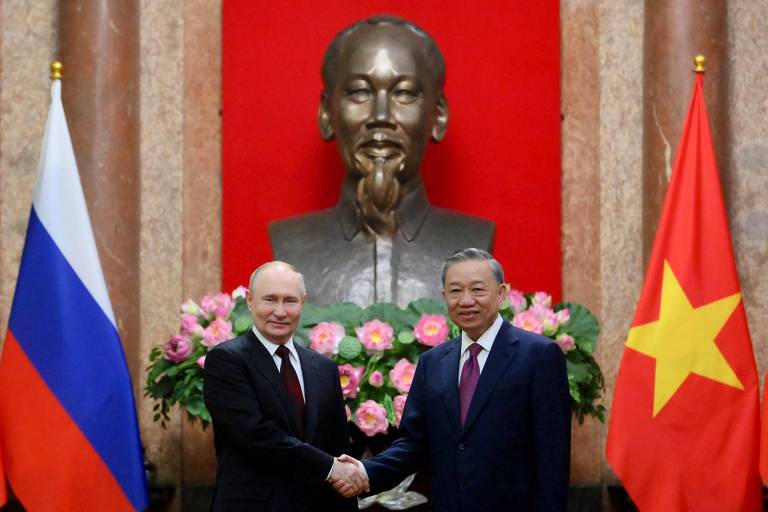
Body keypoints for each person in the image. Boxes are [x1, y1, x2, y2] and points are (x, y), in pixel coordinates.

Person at [269, 16, 494, 307]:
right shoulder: (290, 243)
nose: (381, 116)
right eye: (360, 92)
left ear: (437, 115)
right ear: (327, 113)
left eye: (404, 93)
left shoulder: (474, 239)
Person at [335, 248, 571, 511]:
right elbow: (414, 443)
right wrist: (366, 472)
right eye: (456, 291)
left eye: (478, 290)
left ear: (501, 293)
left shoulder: (538, 356)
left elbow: (552, 458)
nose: (466, 300)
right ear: (444, 297)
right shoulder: (433, 362)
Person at [203, 261, 366, 511]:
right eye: (269, 299)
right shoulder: (227, 360)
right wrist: (331, 468)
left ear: (303, 302)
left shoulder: (323, 368)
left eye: (289, 301)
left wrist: (346, 478)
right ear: (250, 300)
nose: (280, 311)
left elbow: (338, 446)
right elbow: (254, 434)